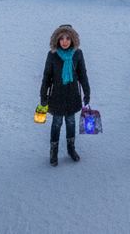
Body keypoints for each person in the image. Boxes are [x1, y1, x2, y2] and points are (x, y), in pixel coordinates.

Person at [40, 24, 90, 166]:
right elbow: (47, 77)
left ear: (73, 39)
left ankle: (71, 149)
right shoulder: (52, 55)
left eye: (68, 38)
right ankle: (53, 151)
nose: (65, 41)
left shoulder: (77, 54)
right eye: (61, 38)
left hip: (72, 95)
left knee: (71, 122)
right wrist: (43, 96)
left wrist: (87, 92)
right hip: (57, 97)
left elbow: (82, 75)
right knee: (56, 123)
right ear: (57, 39)